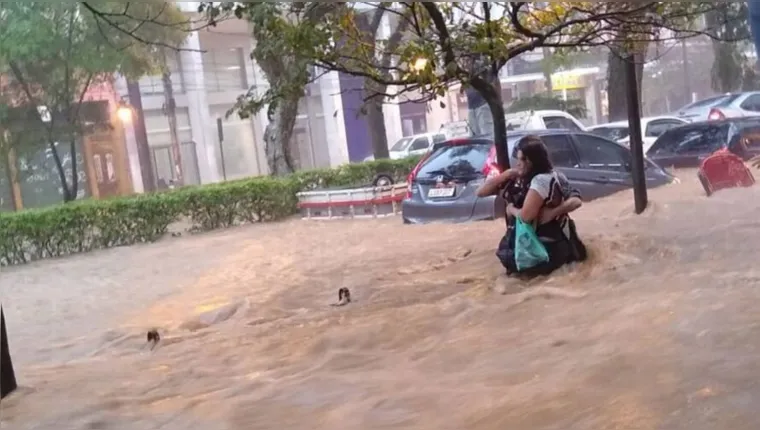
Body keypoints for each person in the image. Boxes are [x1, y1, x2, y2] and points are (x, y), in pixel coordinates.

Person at [477, 135, 587, 276]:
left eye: (523, 159)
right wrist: (506, 174)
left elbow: (526, 216)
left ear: (533, 161)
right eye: (518, 159)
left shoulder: (543, 180)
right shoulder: (516, 180)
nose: (518, 163)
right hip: (527, 249)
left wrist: (511, 209)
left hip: (542, 250)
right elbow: (480, 192)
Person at [464, 55, 498, 139]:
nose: (467, 63)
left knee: (486, 135)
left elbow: (492, 80)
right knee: (474, 137)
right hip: (471, 107)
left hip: (482, 104)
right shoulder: (466, 71)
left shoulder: (483, 66)